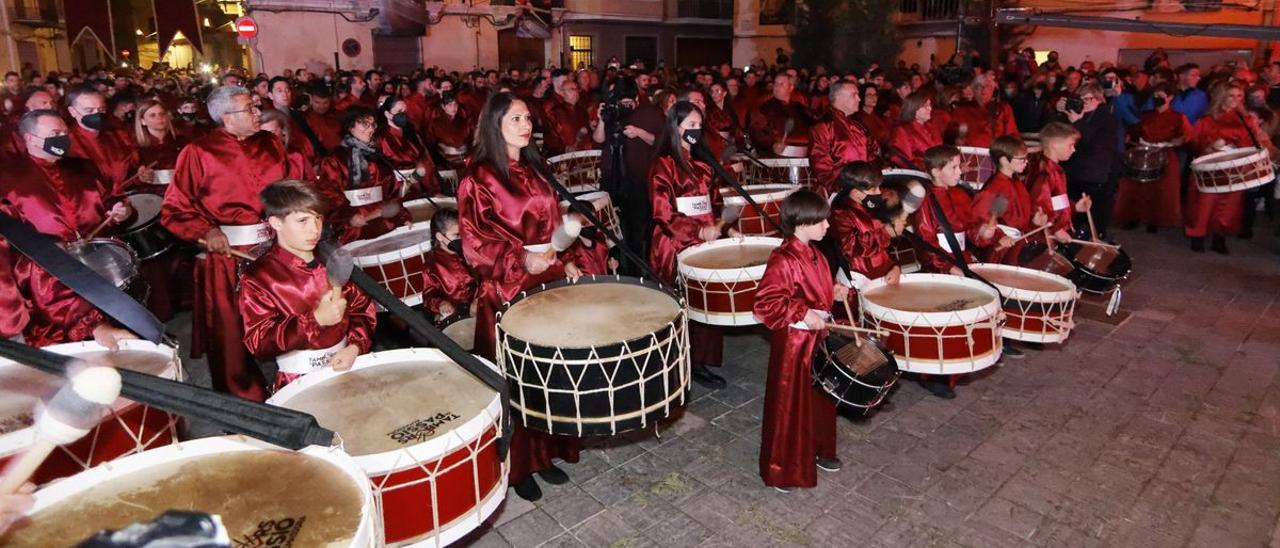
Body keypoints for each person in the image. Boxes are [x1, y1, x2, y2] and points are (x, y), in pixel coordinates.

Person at [456, 92, 583, 503]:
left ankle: (545, 454)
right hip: (507, 290)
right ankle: (517, 466)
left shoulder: (534, 167)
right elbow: (474, 244)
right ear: (495, 124)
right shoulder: (478, 176)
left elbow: (550, 229)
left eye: (528, 118)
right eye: (515, 119)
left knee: (547, 377)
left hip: (545, 283)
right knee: (515, 383)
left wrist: (563, 260)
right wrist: (517, 262)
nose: (526, 125)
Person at [161, 85, 309, 402]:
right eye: (250, 109)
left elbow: (286, 190)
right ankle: (246, 403)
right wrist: (206, 232)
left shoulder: (270, 143)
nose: (259, 113)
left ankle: (299, 383)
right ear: (226, 117)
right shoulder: (198, 152)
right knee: (230, 335)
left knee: (292, 317)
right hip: (228, 256)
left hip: (275, 248)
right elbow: (174, 210)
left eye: (257, 107)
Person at [238, 179, 376, 391]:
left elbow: (362, 309)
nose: (315, 230)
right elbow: (259, 343)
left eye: (318, 218)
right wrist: (315, 319)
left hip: (347, 363)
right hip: (298, 380)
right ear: (276, 223)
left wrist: (356, 346)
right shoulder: (258, 278)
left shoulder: (330, 259)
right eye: (303, 221)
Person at [752, 188, 845, 492]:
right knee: (791, 404)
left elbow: (816, 289)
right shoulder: (783, 258)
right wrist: (804, 313)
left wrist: (837, 292)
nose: (827, 226)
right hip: (795, 344)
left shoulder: (816, 253)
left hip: (817, 339)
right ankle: (784, 468)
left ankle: (818, 449)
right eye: (822, 221)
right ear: (803, 223)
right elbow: (765, 304)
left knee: (820, 398)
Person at [648, 101, 739, 391]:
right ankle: (678, 359)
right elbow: (662, 213)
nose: (697, 132)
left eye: (700, 126)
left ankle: (700, 359)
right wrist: (699, 230)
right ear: (676, 128)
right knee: (682, 304)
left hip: (706, 242)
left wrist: (727, 227)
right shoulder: (662, 165)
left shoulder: (703, 163)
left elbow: (714, 202)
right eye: (691, 126)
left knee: (706, 301)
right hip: (675, 243)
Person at [912, 145, 1007, 396]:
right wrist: (947, 266)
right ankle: (935, 375)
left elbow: (968, 232)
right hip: (940, 266)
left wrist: (985, 233)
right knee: (945, 320)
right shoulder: (925, 200)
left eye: (959, 165)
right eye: (953, 167)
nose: (960, 172)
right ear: (935, 171)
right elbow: (925, 241)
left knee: (967, 314)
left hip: (961, 259)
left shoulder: (960, 195)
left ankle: (958, 366)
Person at [1184, 81, 1273, 254]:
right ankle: (1198, 235)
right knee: (1204, 203)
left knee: (1229, 204)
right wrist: (1209, 146)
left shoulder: (1246, 119)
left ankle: (1220, 237)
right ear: (1221, 96)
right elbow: (1193, 142)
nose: (1236, 100)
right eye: (1231, 95)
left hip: (1235, 167)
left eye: (1240, 96)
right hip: (1209, 166)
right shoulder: (1207, 119)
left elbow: (1255, 142)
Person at [593, 77, 663, 272]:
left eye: (628, 102)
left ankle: (641, 271)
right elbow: (598, 141)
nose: (625, 105)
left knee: (638, 230)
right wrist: (602, 119)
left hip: (639, 181)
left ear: (636, 98)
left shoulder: (650, 113)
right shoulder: (612, 111)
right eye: (620, 101)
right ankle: (618, 271)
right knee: (612, 231)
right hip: (612, 180)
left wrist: (639, 132)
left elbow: (661, 142)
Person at [315, 106, 409, 243]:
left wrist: (403, 217)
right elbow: (329, 193)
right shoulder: (334, 160)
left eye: (373, 124)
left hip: (384, 222)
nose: (371, 129)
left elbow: (392, 193)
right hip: (352, 227)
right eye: (365, 124)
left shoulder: (378, 157)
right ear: (350, 127)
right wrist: (350, 215)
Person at [1113, 86, 1189, 233]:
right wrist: (1132, 138)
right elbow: (1134, 132)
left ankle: (1155, 219)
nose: (1156, 98)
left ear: (1170, 97)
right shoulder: (1145, 115)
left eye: (1160, 95)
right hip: (1144, 152)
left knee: (1161, 188)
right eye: (1154, 95)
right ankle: (1133, 216)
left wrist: (1177, 141)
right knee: (1136, 186)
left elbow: (1186, 136)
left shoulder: (1178, 117)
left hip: (1164, 153)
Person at [1058, 84, 1122, 241]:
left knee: (1093, 217)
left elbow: (1094, 146)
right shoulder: (1079, 115)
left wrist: (1078, 122)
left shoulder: (1107, 118)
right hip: (1075, 173)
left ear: (1099, 100)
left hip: (1095, 176)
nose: (1083, 103)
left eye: (1087, 99)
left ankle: (1094, 244)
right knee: (1075, 215)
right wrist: (1060, 111)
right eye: (1079, 99)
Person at [971, 135, 1045, 266]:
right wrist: (998, 237)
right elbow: (978, 223)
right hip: (999, 253)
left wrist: (1034, 222)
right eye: (1021, 159)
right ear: (1004, 160)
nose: (1026, 162)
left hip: (1016, 247)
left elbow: (1018, 220)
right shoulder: (994, 189)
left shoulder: (1017, 183)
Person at [828, 162, 901, 286]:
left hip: (884, 277)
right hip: (859, 283)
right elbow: (851, 247)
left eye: (879, 187)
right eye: (874, 189)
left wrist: (895, 267)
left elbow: (885, 250)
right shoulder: (840, 214)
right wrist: (885, 233)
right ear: (856, 193)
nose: (879, 193)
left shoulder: (874, 208)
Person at [65, 85, 140, 193]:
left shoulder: (117, 135)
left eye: (101, 109)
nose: (97, 114)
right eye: (89, 110)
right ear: (72, 111)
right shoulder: (67, 144)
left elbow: (131, 168)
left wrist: (139, 174)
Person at [809, 82, 879, 197]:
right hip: (840, 190)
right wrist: (841, 189)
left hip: (864, 186)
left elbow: (872, 152)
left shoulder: (858, 125)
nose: (859, 99)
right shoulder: (823, 126)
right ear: (839, 97)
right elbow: (821, 164)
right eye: (854, 95)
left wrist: (878, 172)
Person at [1028, 122, 1091, 246]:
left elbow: (1055, 203)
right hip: (1041, 239)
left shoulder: (1056, 170)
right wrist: (1056, 229)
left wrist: (1074, 207)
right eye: (1071, 145)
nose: (1074, 149)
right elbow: (1040, 206)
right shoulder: (1044, 172)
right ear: (1054, 145)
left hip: (1051, 235)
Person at [419, 207, 477, 323]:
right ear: (440, 237)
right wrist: (440, 304)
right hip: (455, 316)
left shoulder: (471, 251)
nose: (461, 238)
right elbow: (428, 296)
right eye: (456, 235)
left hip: (479, 307)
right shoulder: (432, 265)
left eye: (463, 234)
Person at [748, 73, 812, 158]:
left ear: (791, 87)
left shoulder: (801, 108)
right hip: (776, 158)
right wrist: (772, 144)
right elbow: (756, 131)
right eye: (775, 83)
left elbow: (813, 129)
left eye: (781, 84)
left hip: (804, 158)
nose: (777, 86)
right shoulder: (765, 108)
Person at [888, 91, 941, 169]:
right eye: (925, 106)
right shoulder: (902, 130)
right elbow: (903, 160)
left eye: (929, 105)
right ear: (913, 108)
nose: (930, 108)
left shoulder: (933, 127)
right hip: (917, 174)